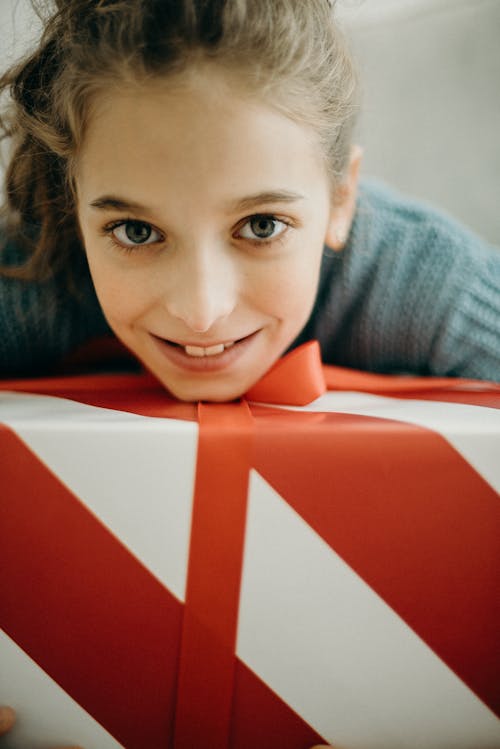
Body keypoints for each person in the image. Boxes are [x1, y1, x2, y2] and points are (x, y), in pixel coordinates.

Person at [0, 0, 499, 745]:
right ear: (72, 206)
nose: (202, 310)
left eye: (260, 226)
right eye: (135, 231)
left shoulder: (434, 287)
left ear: (341, 200)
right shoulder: (37, 281)